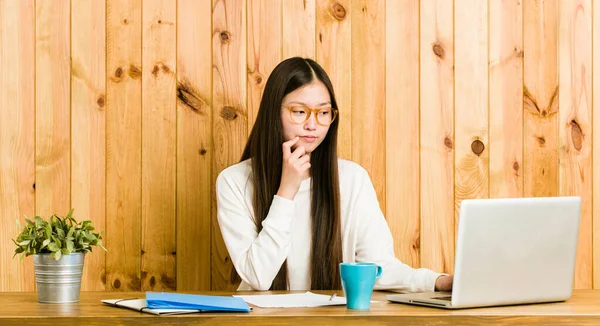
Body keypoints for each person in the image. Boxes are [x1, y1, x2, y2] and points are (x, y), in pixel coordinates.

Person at [216, 57, 453, 292]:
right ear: (273, 112)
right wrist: (286, 191)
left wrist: (438, 281)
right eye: (299, 111)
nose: (312, 125)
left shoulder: (352, 178)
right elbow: (258, 277)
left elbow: (378, 268)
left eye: (323, 113)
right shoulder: (234, 181)